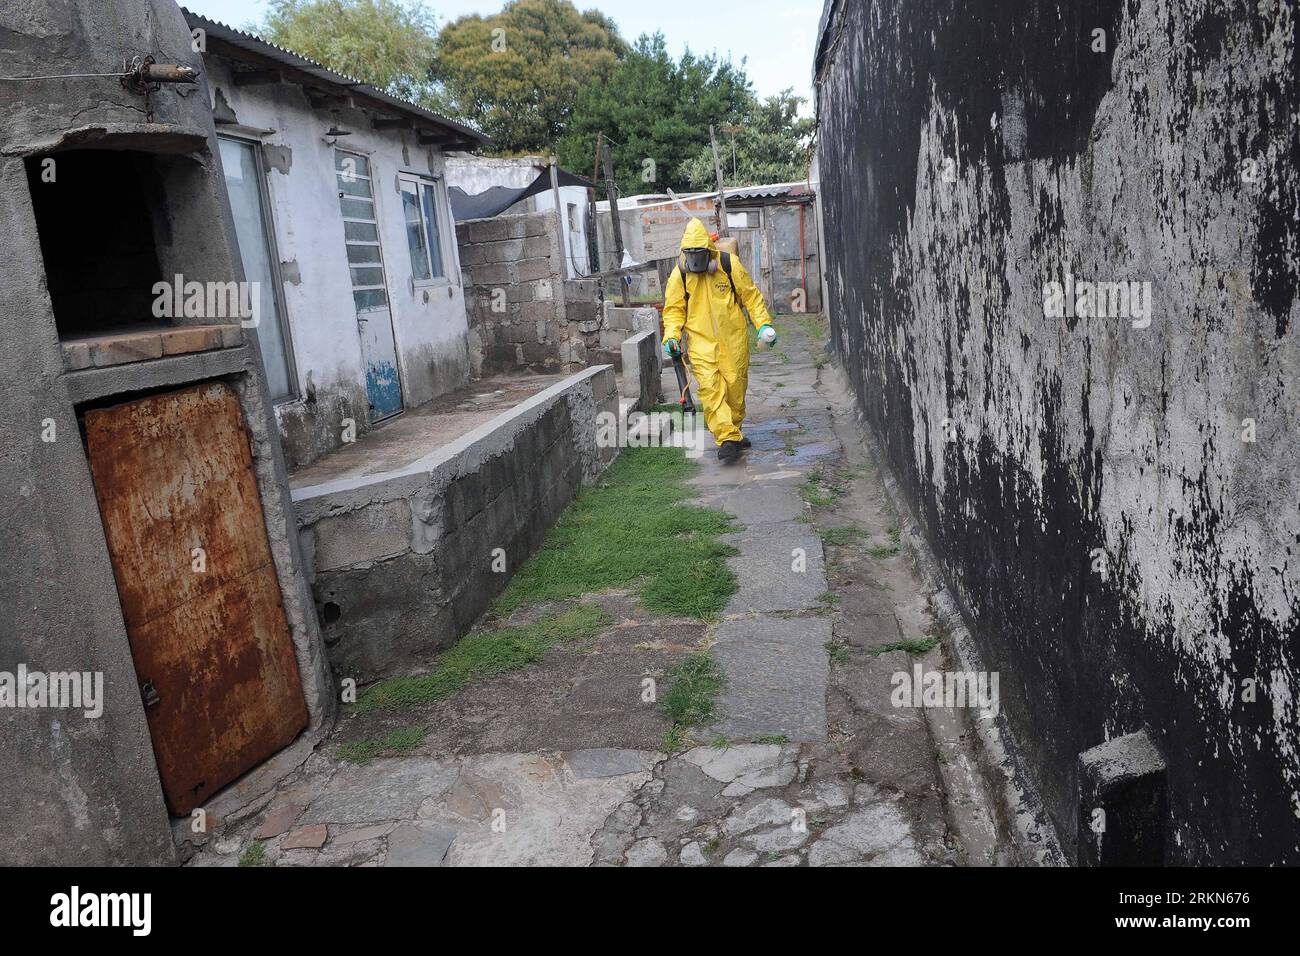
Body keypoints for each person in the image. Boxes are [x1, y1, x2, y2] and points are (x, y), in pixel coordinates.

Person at [662, 218, 776, 462]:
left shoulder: (727, 264)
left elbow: (751, 297)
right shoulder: (679, 275)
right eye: (690, 254)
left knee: (735, 390)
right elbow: (674, 310)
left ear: (708, 250)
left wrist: (763, 323)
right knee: (711, 391)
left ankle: (733, 431)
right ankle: (727, 437)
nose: (694, 259)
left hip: (733, 340)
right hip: (701, 344)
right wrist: (671, 336)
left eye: (699, 253)